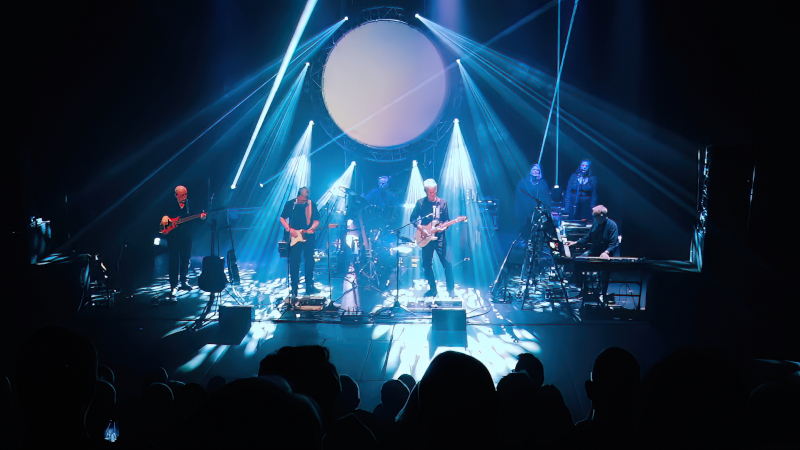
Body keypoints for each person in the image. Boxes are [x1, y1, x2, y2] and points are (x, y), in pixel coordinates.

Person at [409, 179, 455, 297]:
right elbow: (412, 219)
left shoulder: (442, 202)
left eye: (434, 192)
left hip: (439, 238)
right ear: (426, 191)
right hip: (425, 238)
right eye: (430, 193)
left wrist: (443, 227)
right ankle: (433, 289)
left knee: (447, 263)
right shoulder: (420, 203)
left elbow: (447, 220)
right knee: (426, 265)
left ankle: (451, 289)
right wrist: (422, 229)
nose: (433, 194)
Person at [160, 185, 206, 297]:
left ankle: (184, 281)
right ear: (176, 195)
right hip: (173, 236)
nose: (184, 197)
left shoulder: (191, 204)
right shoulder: (169, 204)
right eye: (181, 195)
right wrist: (164, 217)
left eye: (185, 194)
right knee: (174, 260)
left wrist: (202, 218)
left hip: (186, 235)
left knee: (185, 259)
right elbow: (161, 214)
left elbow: (196, 218)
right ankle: (173, 285)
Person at [567, 205, 619, 301]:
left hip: (606, 253)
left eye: (595, 216)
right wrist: (575, 243)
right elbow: (588, 237)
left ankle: (603, 293)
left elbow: (613, 243)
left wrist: (606, 252)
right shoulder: (596, 222)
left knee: (604, 272)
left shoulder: (612, 225)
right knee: (578, 261)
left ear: (602, 215)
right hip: (594, 251)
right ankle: (582, 288)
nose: (594, 218)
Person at [280, 187, 321, 296]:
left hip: (308, 236)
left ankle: (309, 286)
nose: (304, 200)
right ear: (298, 196)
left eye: (306, 197)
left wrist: (312, 228)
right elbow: (282, 218)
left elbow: (316, 220)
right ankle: (294, 288)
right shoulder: (290, 204)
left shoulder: (311, 204)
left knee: (309, 261)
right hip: (294, 236)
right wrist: (289, 229)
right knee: (294, 262)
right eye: (302, 197)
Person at [514, 163, 551, 236]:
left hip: (538, 211)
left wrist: (547, 210)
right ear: (530, 171)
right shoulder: (523, 182)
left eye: (538, 170)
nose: (535, 171)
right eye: (534, 169)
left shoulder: (542, 183)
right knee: (525, 229)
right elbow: (518, 197)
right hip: (525, 211)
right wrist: (517, 210)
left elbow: (546, 198)